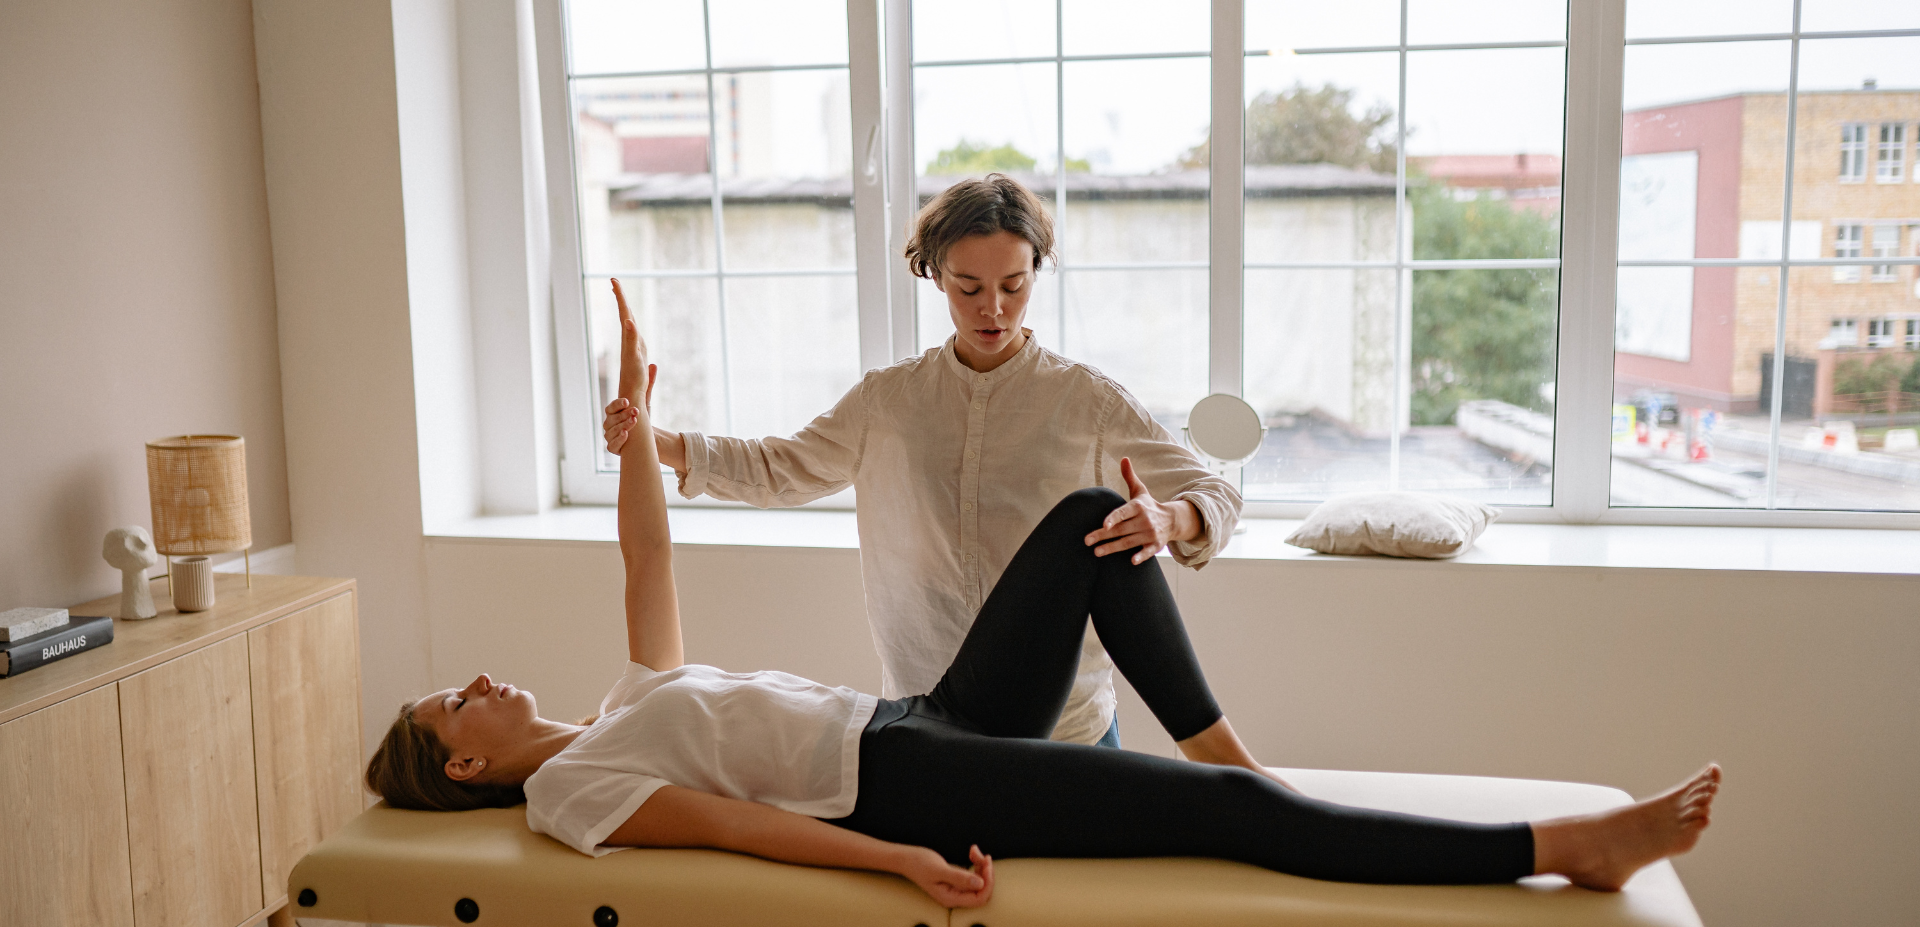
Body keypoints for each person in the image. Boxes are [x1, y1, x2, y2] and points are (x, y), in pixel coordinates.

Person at [365, 282, 1721, 909]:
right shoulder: (568, 789)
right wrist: (897, 857)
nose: (474, 676)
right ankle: (1560, 845)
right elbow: (735, 826)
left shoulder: (620, 701)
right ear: (465, 758)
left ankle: (1214, 730)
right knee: (1242, 823)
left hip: (925, 713)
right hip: (913, 789)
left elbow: (643, 566)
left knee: (1090, 518)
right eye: (451, 702)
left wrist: (641, 422)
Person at [601, 174, 1238, 749]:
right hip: (931, 719)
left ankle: (1228, 765)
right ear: (935, 276)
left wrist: (1175, 520)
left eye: (1014, 286)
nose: (993, 308)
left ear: (1037, 274)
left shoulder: (1087, 402)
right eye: (970, 287)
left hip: (1070, 731)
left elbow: (1215, 492)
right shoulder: (890, 400)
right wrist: (657, 442)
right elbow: (780, 466)